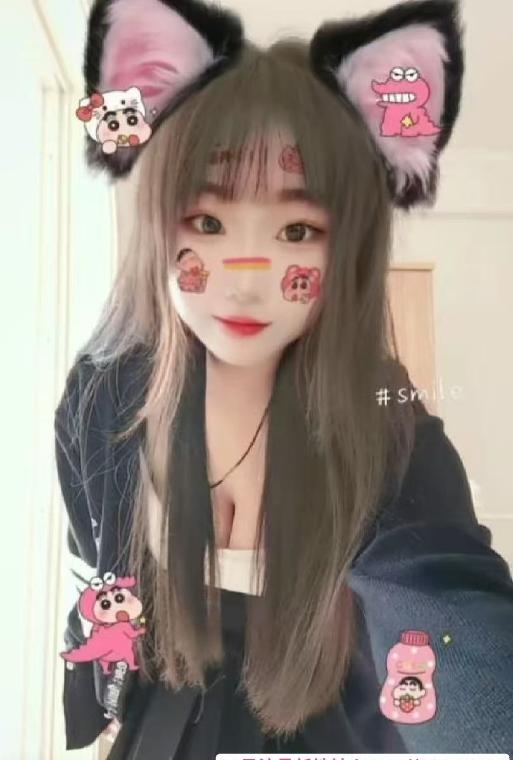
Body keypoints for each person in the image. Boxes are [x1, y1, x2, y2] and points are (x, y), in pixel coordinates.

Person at [55, 0, 513, 756]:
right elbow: (95, 562)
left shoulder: (385, 423)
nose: (246, 282)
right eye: (208, 223)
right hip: (155, 724)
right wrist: (100, 700)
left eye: (296, 231)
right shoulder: (99, 396)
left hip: (325, 724)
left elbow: (445, 595)